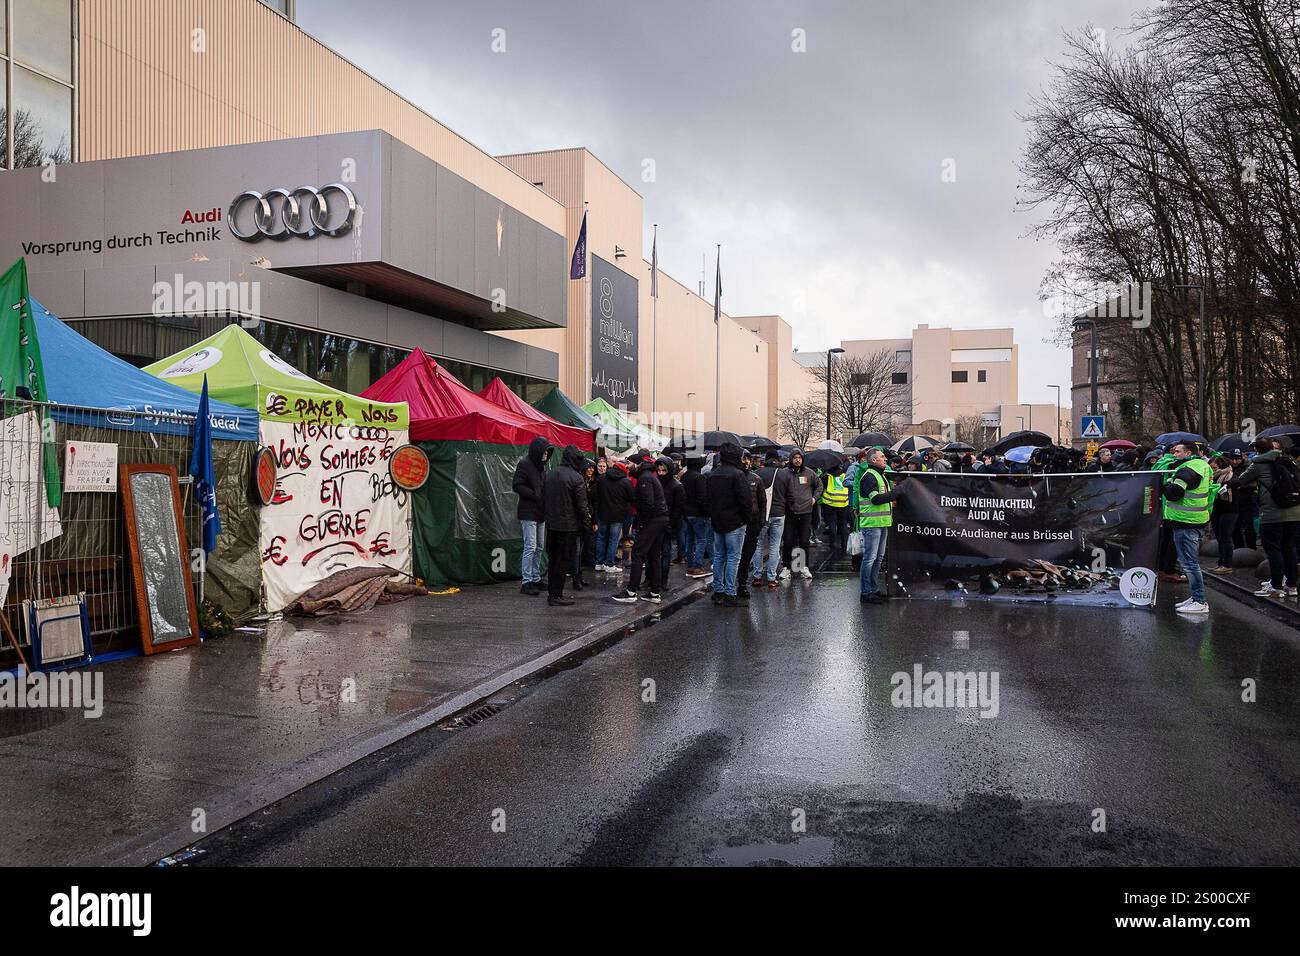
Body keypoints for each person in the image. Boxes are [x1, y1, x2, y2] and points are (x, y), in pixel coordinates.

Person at [1229, 437, 1300, 599]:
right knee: (1289, 549)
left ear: (1256, 450)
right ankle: (1291, 585)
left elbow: (1240, 481)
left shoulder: (1258, 464)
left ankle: (1276, 587)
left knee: (1273, 550)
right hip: (1295, 511)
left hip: (1272, 513)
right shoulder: (1289, 460)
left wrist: (1227, 484)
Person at [1160, 441, 1213, 614]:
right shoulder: (1201, 465)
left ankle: (1199, 601)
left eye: (1178, 452)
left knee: (1190, 564)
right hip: (1194, 520)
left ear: (1188, 452)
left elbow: (1174, 493)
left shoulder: (1187, 470)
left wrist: (1166, 483)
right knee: (1189, 563)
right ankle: (1195, 597)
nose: (1174, 454)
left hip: (1186, 522)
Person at [705, 442, 755, 605]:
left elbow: (709, 499)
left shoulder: (713, 474)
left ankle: (718, 591)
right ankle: (730, 592)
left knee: (719, 557)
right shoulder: (738, 475)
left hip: (718, 521)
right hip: (735, 522)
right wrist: (747, 519)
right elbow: (746, 501)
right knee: (733, 558)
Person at [614, 454, 668, 604]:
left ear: (637, 464)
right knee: (654, 556)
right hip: (659, 520)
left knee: (638, 554)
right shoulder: (648, 476)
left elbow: (648, 503)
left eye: (629, 462)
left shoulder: (644, 478)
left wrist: (642, 523)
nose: (627, 465)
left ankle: (631, 591)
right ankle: (654, 593)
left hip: (652, 521)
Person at [856, 446, 907, 603]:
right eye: (882, 457)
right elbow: (876, 499)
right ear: (873, 460)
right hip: (872, 524)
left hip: (882, 522)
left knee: (878, 558)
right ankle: (866, 593)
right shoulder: (869, 476)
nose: (885, 459)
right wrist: (896, 493)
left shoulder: (880, 475)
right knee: (870, 559)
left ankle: (873, 589)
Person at [541, 445, 590, 607]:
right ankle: (556, 594)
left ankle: (553, 593)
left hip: (552, 524)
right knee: (563, 561)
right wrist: (586, 527)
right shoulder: (577, 478)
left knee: (554, 559)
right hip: (568, 526)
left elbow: (543, 498)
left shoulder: (550, 474)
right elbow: (582, 507)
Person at [511, 436, 550, 596]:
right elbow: (516, 485)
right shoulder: (525, 464)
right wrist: (533, 494)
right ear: (538, 451)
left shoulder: (541, 467)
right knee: (531, 546)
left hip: (540, 512)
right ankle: (526, 581)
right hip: (528, 511)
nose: (546, 454)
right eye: (545, 451)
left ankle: (535, 577)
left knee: (539, 546)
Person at [779, 449, 822, 579]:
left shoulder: (809, 473)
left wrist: (814, 499)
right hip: (789, 512)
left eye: (800, 457)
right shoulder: (784, 473)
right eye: (795, 457)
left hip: (805, 512)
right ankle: (786, 567)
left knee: (804, 541)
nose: (798, 460)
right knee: (788, 541)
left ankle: (804, 567)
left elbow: (819, 486)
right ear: (791, 459)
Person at [751, 451, 785, 590]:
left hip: (762, 514)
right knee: (774, 545)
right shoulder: (783, 474)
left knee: (758, 544)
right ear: (777, 459)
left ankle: (757, 576)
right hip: (779, 512)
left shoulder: (758, 473)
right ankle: (772, 577)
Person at [737, 450, 768, 600]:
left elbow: (762, 501)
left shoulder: (756, 479)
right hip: (737, 523)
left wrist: (761, 521)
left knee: (747, 554)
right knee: (735, 555)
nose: (746, 462)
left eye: (748, 459)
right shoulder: (735, 478)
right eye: (744, 459)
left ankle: (742, 583)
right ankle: (737, 583)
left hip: (753, 523)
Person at [594, 457, 633, 573]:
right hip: (617, 516)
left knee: (601, 538)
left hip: (602, 514)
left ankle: (599, 563)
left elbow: (597, 496)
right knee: (613, 540)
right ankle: (609, 564)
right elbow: (631, 498)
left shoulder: (601, 479)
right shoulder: (626, 481)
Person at [657, 455, 686, 590]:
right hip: (656, 523)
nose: (661, 473)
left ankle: (663, 581)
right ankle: (654, 580)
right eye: (659, 470)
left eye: (664, 470)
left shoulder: (677, 486)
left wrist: (671, 524)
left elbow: (678, 508)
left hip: (667, 524)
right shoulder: (657, 482)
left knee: (665, 553)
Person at [681, 454, 712, 578]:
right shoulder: (699, 478)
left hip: (686, 512)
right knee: (701, 540)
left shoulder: (684, 476)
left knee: (689, 539)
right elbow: (702, 497)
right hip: (698, 514)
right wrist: (707, 512)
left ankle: (690, 566)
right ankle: (697, 567)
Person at [1207, 454, 1236, 574]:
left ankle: (1227, 564)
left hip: (1230, 509)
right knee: (1219, 537)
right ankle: (1221, 563)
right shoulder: (1211, 477)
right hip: (1217, 509)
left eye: (1214, 468)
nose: (1212, 471)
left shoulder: (1230, 475)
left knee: (1226, 537)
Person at [819, 463, 852, 556]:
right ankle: (844, 544)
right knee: (843, 525)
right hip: (843, 503)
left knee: (832, 525)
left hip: (830, 504)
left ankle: (832, 544)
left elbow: (820, 488)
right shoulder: (844, 476)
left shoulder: (826, 477)